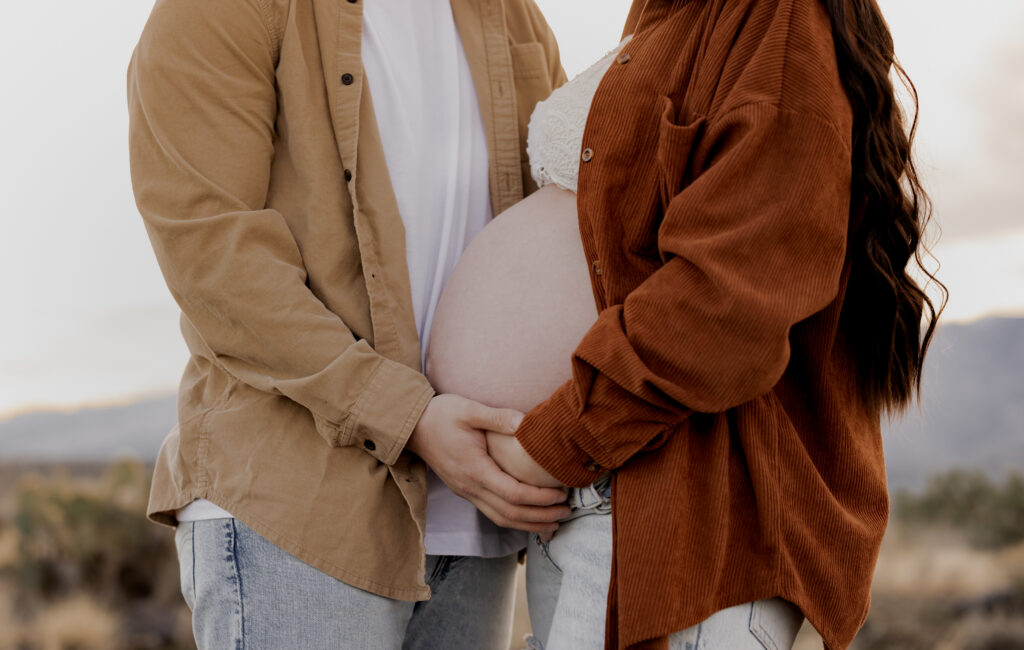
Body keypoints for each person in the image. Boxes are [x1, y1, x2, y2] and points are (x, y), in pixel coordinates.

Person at [426, 0, 945, 648]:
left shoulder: (775, 17)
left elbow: (733, 300)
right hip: (593, 507)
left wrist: (552, 445)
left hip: (679, 511)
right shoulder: (665, 15)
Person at [125, 0, 571, 648]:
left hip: (474, 516)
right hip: (299, 513)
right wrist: (409, 416)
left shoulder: (511, 15)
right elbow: (212, 255)